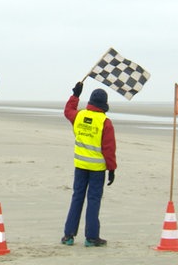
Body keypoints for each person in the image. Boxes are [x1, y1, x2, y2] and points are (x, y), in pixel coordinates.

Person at [61, 82, 117, 247]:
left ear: (91, 101)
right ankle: (91, 237)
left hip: (80, 165)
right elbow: (109, 149)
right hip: (97, 169)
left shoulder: (79, 116)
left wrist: (75, 95)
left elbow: (67, 111)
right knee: (93, 200)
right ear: (104, 104)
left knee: (77, 197)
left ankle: (68, 236)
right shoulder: (105, 122)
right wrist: (112, 169)